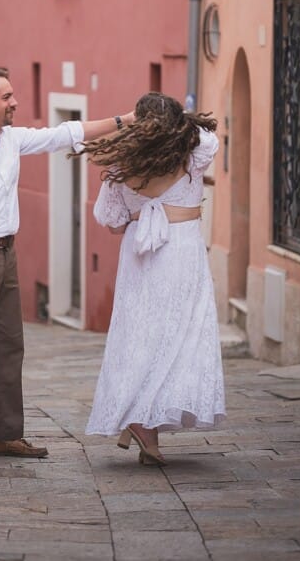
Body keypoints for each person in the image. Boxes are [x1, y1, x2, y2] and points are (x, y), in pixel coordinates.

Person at [0, 66, 135, 462]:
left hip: (6, 255)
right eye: (6, 97)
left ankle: (5, 436)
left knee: (8, 347)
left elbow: (64, 134)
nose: (14, 102)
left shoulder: (10, 140)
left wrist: (123, 121)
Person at [80, 92, 225, 466]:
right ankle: (145, 421)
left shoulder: (123, 167)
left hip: (141, 254)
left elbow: (109, 221)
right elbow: (210, 137)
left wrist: (140, 211)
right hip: (183, 251)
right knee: (182, 334)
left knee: (140, 334)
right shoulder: (195, 154)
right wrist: (177, 121)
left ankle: (141, 419)